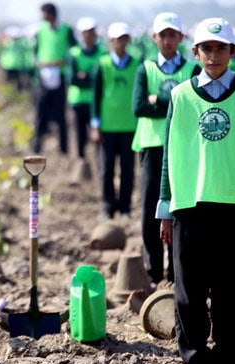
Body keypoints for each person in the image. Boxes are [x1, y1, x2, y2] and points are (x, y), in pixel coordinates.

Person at [157, 17, 235, 364]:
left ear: (233, 52)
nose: (214, 55)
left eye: (222, 48)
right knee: (188, 294)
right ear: (196, 52)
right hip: (189, 205)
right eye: (207, 48)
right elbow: (169, 156)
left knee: (227, 292)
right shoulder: (181, 96)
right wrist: (165, 207)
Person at [131, 12, 200, 285]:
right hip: (151, 146)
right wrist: (173, 101)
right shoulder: (144, 69)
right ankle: (154, 271)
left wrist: (157, 99)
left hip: (182, 147)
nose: (168, 40)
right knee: (151, 210)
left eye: (173, 35)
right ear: (154, 38)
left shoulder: (191, 70)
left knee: (180, 208)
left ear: (181, 38)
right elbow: (138, 107)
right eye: (163, 35)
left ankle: (176, 271)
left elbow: (191, 109)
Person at [90, 22, 139, 220]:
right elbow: (96, 96)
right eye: (116, 39)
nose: (120, 42)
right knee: (106, 169)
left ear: (128, 40)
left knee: (127, 170)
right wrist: (95, 125)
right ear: (110, 41)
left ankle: (125, 207)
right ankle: (107, 207)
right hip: (108, 126)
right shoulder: (102, 65)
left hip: (129, 125)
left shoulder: (137, 64)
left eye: (123, 38)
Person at [32, 2, 77, 154]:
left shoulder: (65, 29)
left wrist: (64, 61)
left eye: (44, 13)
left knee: (60, 115)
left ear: (51, 14)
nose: (42, 17)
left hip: (59, 74)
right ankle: (36, 147)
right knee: (40, 112)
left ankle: (64, 149)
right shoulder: (41, 30)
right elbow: (36, 49)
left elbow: (75, 49)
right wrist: (38, 62)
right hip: (44, 75)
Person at [67, 17, 105, 164]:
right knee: (80, 134)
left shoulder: (102, 53)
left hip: (96, 101)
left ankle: (98, 161)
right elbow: (72, 79)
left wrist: (85, 76)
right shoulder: (74, 53)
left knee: (98, 133)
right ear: (81, 34)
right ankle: (81, 161)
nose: (89, 35)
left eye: (91, 32)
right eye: (86, 32)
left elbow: (102, 78)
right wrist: (91, 79)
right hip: (78, 100)